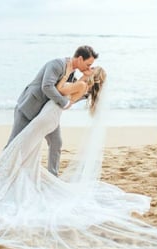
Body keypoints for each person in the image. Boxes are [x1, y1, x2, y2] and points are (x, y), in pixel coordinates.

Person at [0, 64, 157, 249]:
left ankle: (3, 179)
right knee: (24, 150)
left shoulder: (81, 85)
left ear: (93, 75)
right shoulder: (83, 88)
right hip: (50, 116)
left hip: (47, 117)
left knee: (20, 149)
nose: (87, 69)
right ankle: (9, 176)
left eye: (91, 68)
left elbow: (59, 91)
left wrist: (68, 73)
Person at [6, 45, 98, 176]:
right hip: (28, 107)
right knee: (13, 143)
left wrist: (90, 89)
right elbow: (47, 86)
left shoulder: (72, 74)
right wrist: (64, 102)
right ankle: (2, 173)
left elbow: (70, 94)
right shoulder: (57, 64)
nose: (89, 68)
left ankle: (53, 175)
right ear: (80, 58)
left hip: (46, 113)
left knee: (56, 142)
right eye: (88, 64)